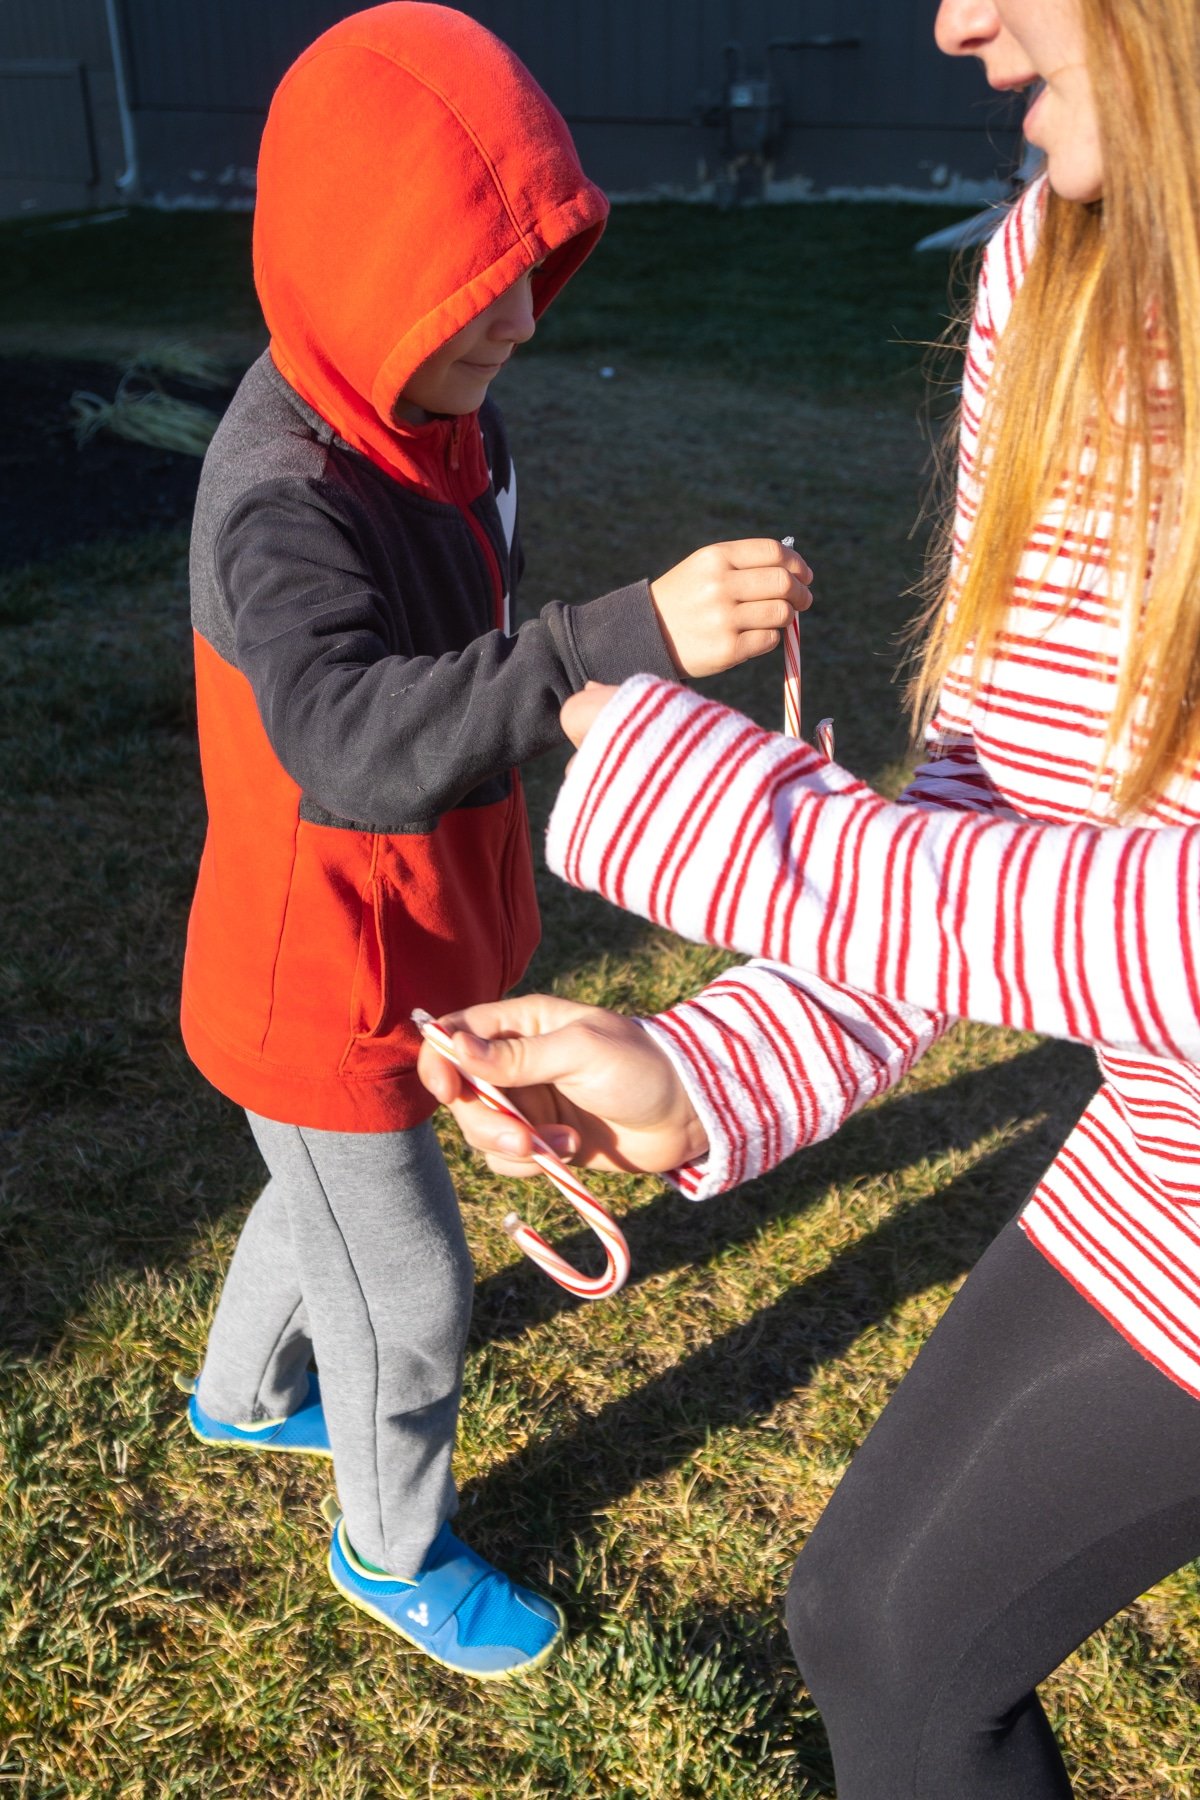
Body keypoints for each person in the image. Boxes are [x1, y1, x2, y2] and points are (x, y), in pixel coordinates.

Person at [418, 0, 1200, 1781]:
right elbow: (990, 806)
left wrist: (772, 845)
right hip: (1181, 1156)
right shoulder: (1058, 259)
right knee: (880, 1624)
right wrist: (701, 1068)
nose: (954, 20)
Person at [175, 1, 812, 1682]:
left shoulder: (450, 416)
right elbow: (350, 739)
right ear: (351, 275)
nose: (522, 321)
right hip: (316, 972)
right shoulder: (281, 500)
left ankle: (238, 1399)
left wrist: (577, 706)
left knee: (309, 1202)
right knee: (411, 1287)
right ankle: (391, 1547)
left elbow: (478, 647)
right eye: (472, 299)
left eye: (535, 272)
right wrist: (614, 645)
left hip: (417, 931)